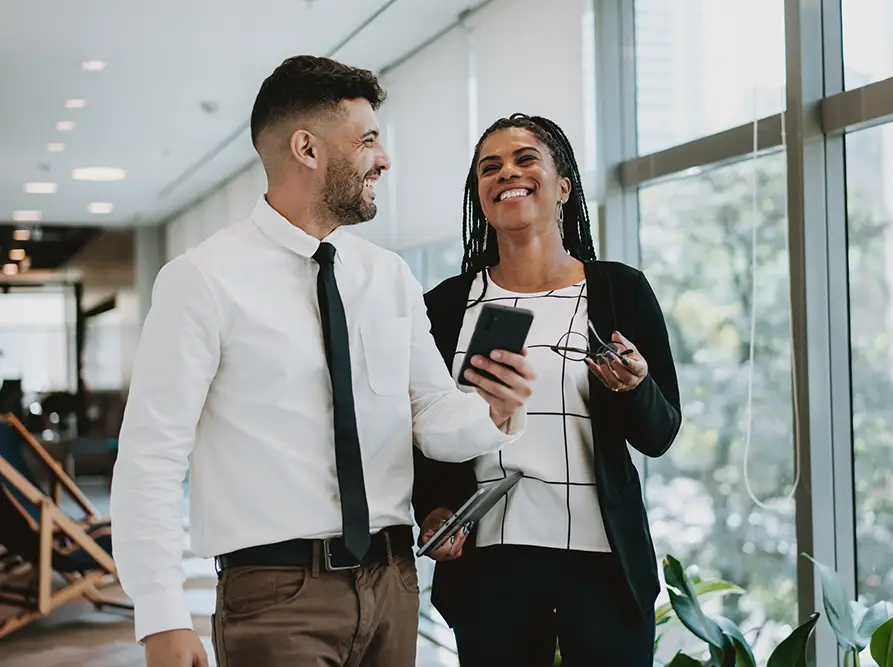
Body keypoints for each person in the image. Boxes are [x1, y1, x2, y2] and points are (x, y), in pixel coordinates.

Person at [110, 57, 536, 667]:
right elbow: (151, 456)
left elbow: (430, 415)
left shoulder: (388, 276)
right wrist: (160, 616)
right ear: (306, 148)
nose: (383, 160)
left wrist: (489, 410)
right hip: (276, 598)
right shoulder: (200, 280)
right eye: (367, 141)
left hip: (394, 585)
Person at [412, 113, 682, 666]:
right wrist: (435, 511)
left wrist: (635, 387)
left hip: (603, 564)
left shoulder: (619, 290)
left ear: (562, 187)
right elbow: (422, 426)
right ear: (481, 197)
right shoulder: (445, 305)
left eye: (524, 158)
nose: (505, 172)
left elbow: (660, 433)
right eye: (489, 168)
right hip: (492, 562)